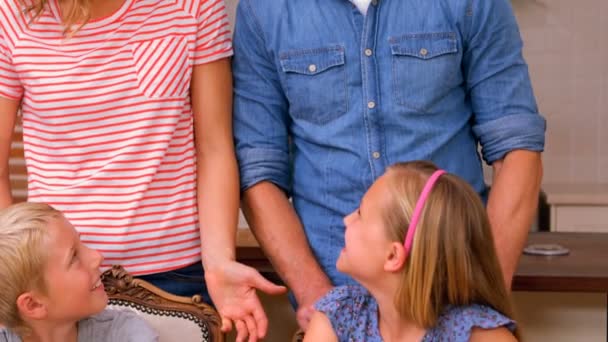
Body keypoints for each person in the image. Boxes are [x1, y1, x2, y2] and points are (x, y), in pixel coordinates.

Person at [231, 0, 545, 329]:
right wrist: (316, 298)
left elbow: (517, 149)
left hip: (454, 293)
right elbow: (258, 172)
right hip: (331, 293)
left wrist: (482, 295)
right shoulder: (264, 9)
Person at [0, 1, 283, 340]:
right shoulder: (12, 15)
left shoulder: (194, 7)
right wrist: (19, 274)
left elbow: (214, 147)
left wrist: (219, 263)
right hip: (56, 286)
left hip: (181, 276)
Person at [304, 161, 519, 341]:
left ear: (393, 255)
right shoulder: (338, 315)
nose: (347, 219)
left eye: (360, 213)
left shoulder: (483, 337)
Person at [0, 202, 158, 342]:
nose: (98, 256)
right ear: (33, 304)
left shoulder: (127, 334)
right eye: (74, 256)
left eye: (81, 242)